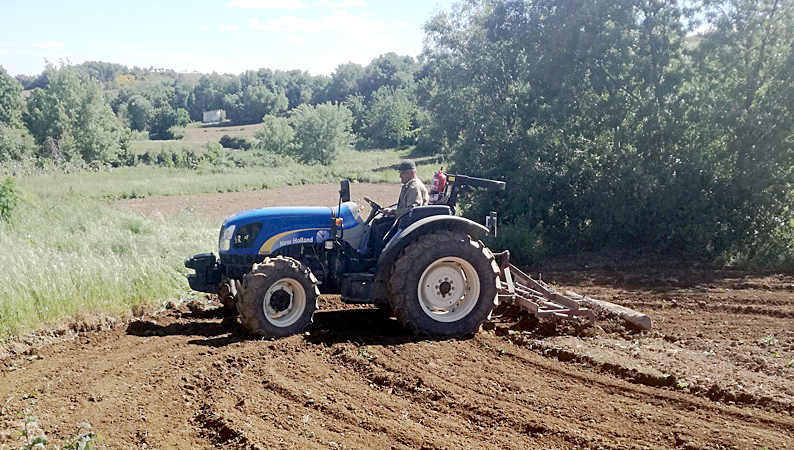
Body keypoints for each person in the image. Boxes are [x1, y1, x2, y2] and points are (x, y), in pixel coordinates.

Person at [369, 160, 429, 254]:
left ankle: (377, 256)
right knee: (376, 222)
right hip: (402, 217)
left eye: (403, 173)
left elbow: (412, 210)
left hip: (406, 221)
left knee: (380, 228)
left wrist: (393, 212)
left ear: (412, 173)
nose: (400, 176)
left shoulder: (414, 187)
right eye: (400, 173)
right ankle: (370, 251)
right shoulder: (408, 185)